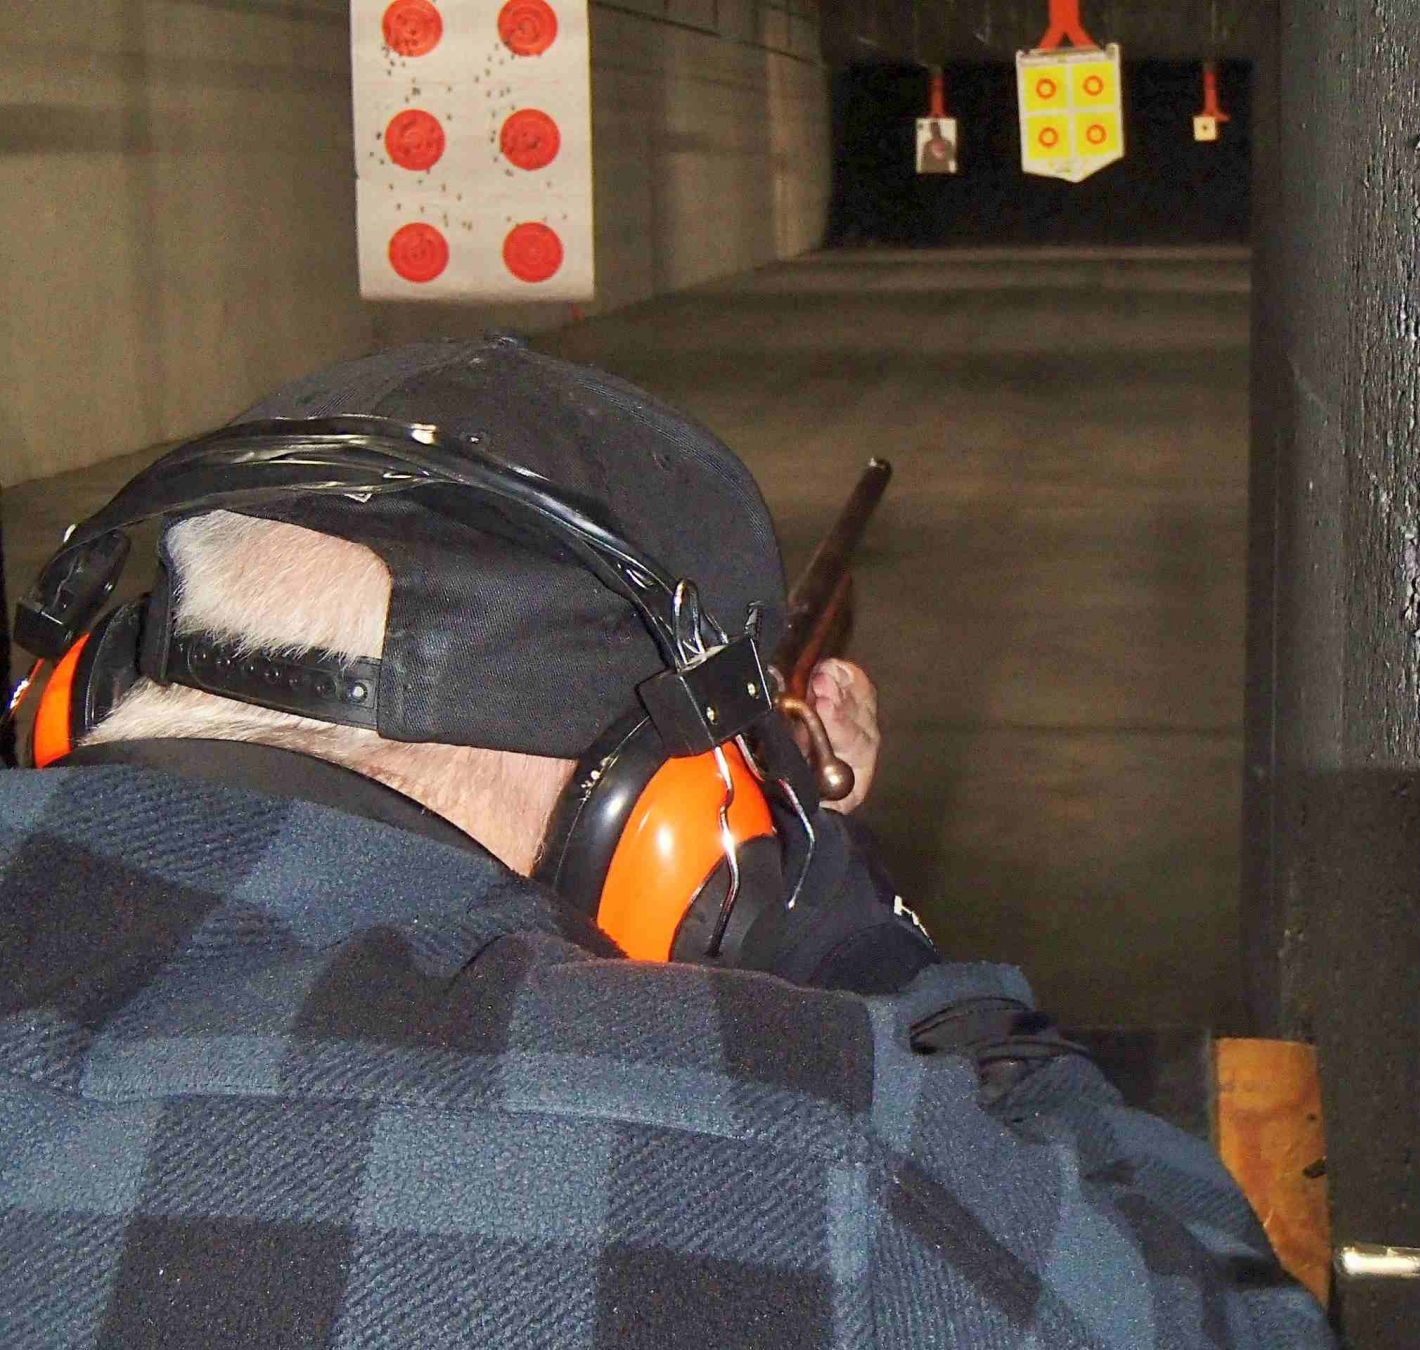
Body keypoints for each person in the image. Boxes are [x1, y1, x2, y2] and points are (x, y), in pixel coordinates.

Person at [0, 337, 1335, 1349]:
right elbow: (1234, 1313)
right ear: (657, 818)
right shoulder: (805, 1153)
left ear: (81, 690)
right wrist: (858, 949)